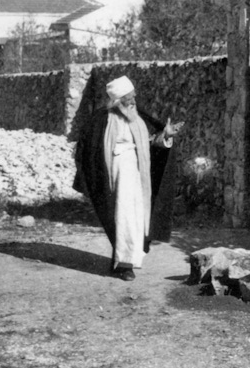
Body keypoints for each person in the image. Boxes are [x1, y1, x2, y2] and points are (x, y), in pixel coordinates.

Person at [74, 75, 184, 281]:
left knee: (136, 218)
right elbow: (87, 149)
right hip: (115, 175)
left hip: (136, 174)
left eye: (134, 97)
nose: (133, 101)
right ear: (117, 100)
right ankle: (123, 265)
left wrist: (166, 136)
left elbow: (149, 146)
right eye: (128, 98)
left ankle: (127, 260)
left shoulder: (137, 118)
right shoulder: (102, 119)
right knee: (122, 217)